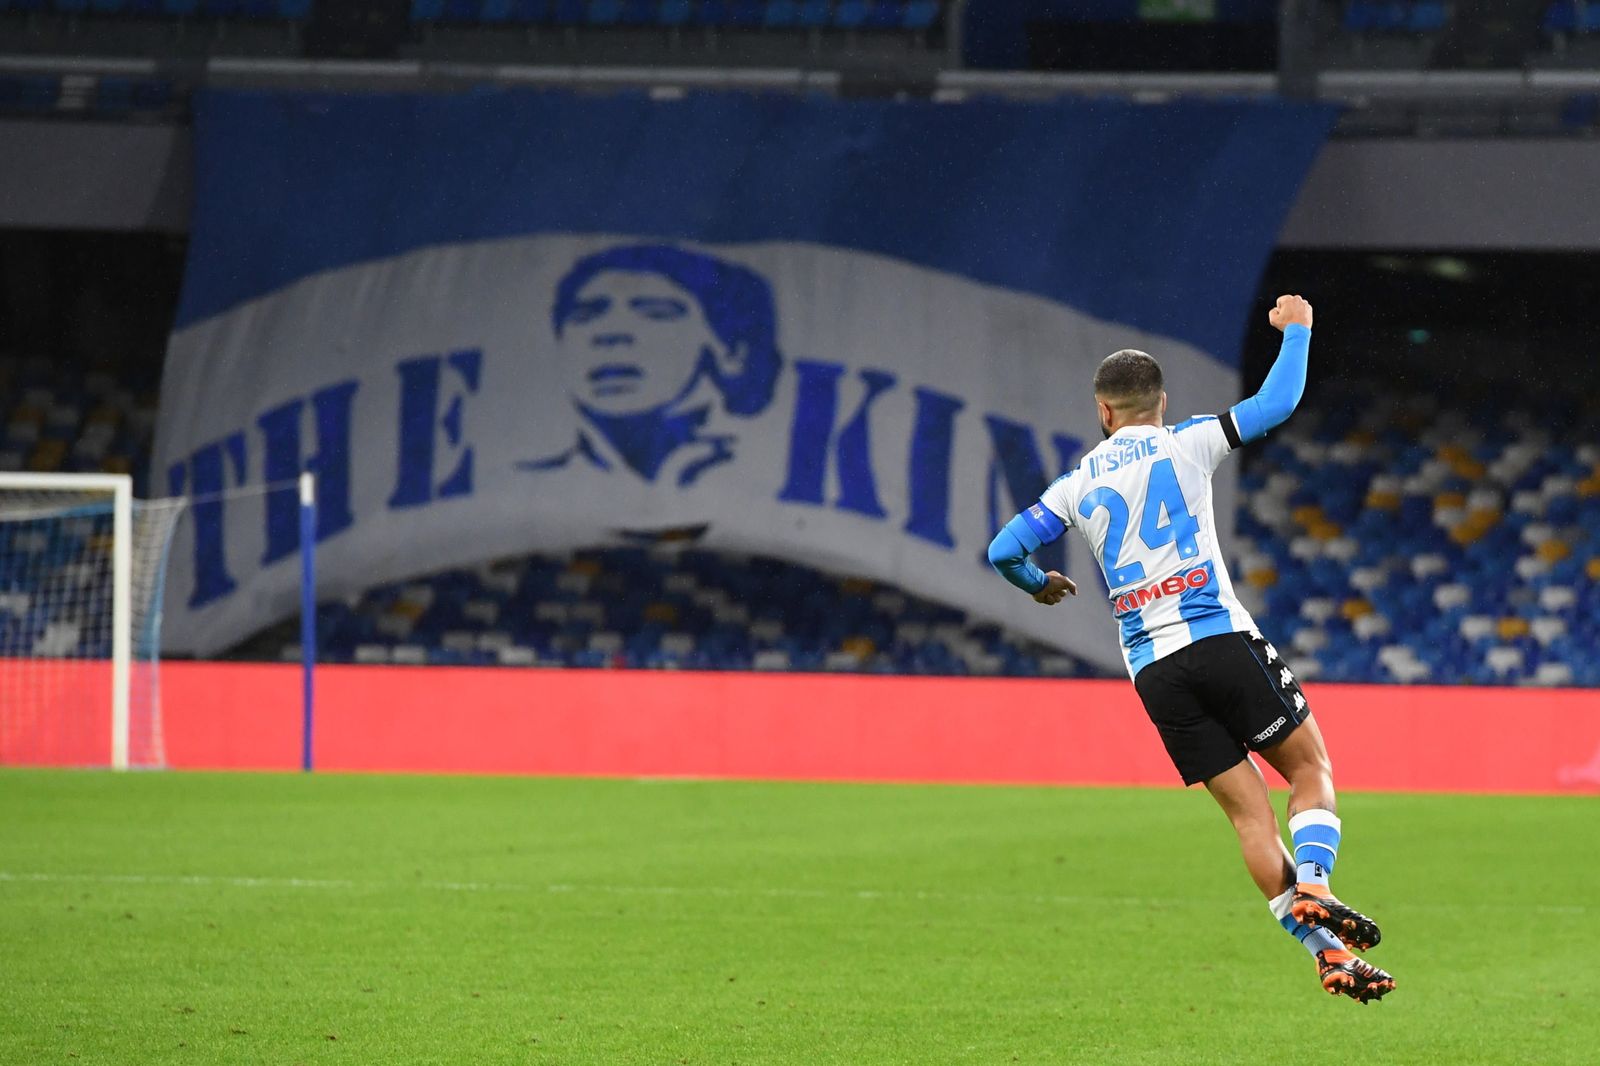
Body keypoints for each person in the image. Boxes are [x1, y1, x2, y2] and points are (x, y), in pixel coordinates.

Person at [985, 295, 1396, 1004]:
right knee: (1309, 770)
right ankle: (1316, 886)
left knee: (1248, 816)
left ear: (1103, 411)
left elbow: (1003, 549)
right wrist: (1298, 329)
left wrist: (1038, 584)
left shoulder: (1076, 484)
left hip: (1154, 671)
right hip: (1218, 637)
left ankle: (1327, 955)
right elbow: (1276, 402)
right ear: (1162, 403)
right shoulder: (1188, 441)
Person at [518, 244, 783, 488]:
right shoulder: (530, 485)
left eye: (656, 313)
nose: (610, 332)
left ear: (732, 352)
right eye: (584, 315)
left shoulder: (765, 480)